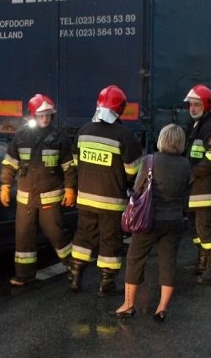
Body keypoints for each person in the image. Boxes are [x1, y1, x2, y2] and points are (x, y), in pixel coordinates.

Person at [68, 85, 143, 296]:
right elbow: (134, 172)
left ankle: (75, 277)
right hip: (111, 201)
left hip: (85, 199)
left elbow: (76, 164)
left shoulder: (83, 131)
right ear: (120, 108)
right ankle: (106, 285)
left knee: (83, 237)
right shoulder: (124, 135)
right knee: (110, 241)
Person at [113, 124, 191, 321]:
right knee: (168, 262)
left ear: (162, 139)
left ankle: (129, 305)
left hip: (148, 220)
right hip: (174, 221)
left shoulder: (150, 160)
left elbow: (138, 187)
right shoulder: (185, 164)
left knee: (135, 259)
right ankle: (162, 308)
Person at [0, 93, 77, 286]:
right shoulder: (21, 136)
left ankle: (73, 266)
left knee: (56, 233)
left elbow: (69, 167)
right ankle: (24, 274)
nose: (45, 118)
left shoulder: (60, 138)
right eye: (41, 114)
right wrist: (5, 185)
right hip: (26, 197)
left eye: (48, 114)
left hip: (49, 196)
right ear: (33, 115)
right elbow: (10, 163)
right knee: (24, 236)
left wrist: (70, 189)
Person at [183, 84, 211, 284]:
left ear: (206, 105)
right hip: (195, 189)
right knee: (195, 229)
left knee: (205, 229)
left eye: (196, 104)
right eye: (190, 105)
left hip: (206, 190)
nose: (192, 108)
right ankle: (202, 262)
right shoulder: (197, 124)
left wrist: (192, 173)